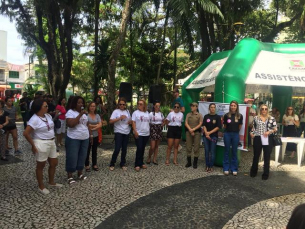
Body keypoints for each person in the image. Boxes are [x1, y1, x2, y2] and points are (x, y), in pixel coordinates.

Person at [23, 99, 63, 194]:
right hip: (41, 143)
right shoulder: (34, 119)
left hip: (51, 141)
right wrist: (33, 145)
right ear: (39, 107)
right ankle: (41, 186)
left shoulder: (48, 116)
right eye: (45, 106)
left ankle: (51, 182)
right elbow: (26, 133)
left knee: (54, 163)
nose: (47, 107)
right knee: (41, 165)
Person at [65, 96, 89, 184]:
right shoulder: (70, 112)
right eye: (78, 103)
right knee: (72, 156)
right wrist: (80, 115)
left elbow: (86, 124)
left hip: (84, 137)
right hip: (73, 138)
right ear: (74, 103)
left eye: (82, 103)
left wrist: (89, 134)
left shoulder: (85, 114)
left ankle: (80, 173)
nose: (81, 104)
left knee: (82, 156)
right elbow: (71, 124)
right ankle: (70, 175)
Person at [250, 104, 277, 180]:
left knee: (267, 156)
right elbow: (253, 128)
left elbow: (275, 129)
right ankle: (253, 171)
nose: (264, 110)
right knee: (256, 155)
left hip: (268, 138)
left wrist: (269, 132)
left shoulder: (271, 118)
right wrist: (251, 133)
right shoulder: (256, 118)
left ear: (267, 110)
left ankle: (266, 173)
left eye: (265, 109)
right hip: (258, 138)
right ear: (260, 110)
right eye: (262, 109)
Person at [109, 97, 132, 171]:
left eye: (123, 104)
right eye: (120, 104)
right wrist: (119, 118)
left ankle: (122, 163)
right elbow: (110, 121)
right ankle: (112, 163)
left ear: (125, 105)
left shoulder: (127, 111)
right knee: (117, 148)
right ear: (118, 104)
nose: (122, 106)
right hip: (118, 131)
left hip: (126, 131)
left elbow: (130, 120)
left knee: (124, 149)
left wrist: (130, 122)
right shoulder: (116, 111)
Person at [223, 100, 243, 176]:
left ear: (237, 107)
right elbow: (224, 126)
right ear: (230, 106)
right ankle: (226, 168)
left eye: (234, 106)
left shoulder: (240, 116)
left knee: (234, 151)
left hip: (235, 134)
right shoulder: (226, 115)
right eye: (232, 105)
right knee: (226, 151)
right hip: (227, 134)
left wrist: (235, 131)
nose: (233, 107)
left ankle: (234, 168)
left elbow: (240, 126)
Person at [132, 99, 150, 172]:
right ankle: (137, 164)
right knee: (139, 148)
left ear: (144, 105)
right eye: (138, 104)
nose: (139, 105)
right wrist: (135, 131)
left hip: (146, 133)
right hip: (139, 133)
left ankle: (141, 162)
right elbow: (133, 122)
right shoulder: (135, 113)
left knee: (142, 148)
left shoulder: (147, 113)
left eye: (141, 104)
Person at [202, 103, 221, 172]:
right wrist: (206, 133)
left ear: (215, 109)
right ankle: (207, 165)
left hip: (213, 137)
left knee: (212, 152)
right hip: (205, 137)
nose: (212, 108)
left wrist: (209, 133)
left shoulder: (218, 117)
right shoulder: (206, 116)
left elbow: (218, 127)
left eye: (214, 107)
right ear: (209, 108)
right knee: (207, 151)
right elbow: (204, 125)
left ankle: (211, 166)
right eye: (211, 107)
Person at [184, 102, 203, 169]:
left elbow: (200, 123)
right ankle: (189, 162)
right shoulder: (188, 114)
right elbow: (186, 123)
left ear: (196, 107)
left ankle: (195, 162)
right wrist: (190, 130)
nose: (191, 107)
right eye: (191, 106)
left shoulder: (199, 115)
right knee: (188, 147)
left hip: (197, 133)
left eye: (193, 106)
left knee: (196, 147)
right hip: (189, 132)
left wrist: (194, 129)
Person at [85, 102, 102, 172]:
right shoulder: (86, 115)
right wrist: (96, 126)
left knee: (94, 150)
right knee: (87, 150)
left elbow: (100, 124)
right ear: (89, 107)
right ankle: (86, 164)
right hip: (87, 135)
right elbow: (86, 124)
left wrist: (93, 126)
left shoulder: (97, 115)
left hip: (95, 135)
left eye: (94, 106)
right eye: (91, 106)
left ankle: (94, 164)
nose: (92, 107)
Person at [146, 101, 164, 165]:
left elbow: (163, 121)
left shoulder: (161, 114)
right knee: (152, 146)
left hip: (159, 129)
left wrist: (162, 124)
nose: (158, 107)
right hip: (153, 129)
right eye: (157, 106)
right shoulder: (151, 114)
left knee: (156, 146)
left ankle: (154, 159)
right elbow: (148, 122)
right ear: (154, 106)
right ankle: (149, 157)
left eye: (159, 106)